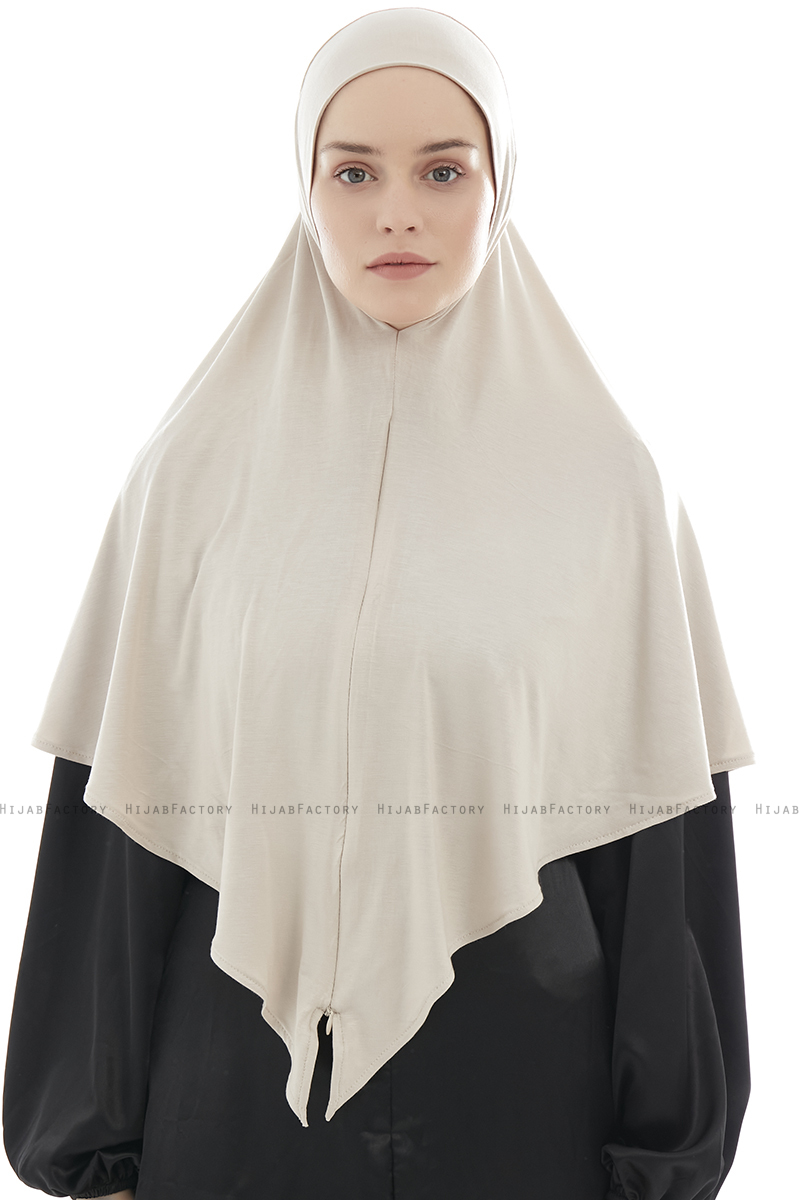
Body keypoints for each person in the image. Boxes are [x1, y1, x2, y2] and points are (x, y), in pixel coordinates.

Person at [2, 8, 754, 1200]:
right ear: (306, 189)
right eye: (352, 172)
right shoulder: (189, 476)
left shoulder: (609, 488)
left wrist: (660, 1162)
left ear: (500, 186)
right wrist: (90, 1159)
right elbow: (120, 833)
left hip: (521, 1100)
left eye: (442, 171)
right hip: (233, 1105)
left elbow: (660, 859)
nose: (395, 211)